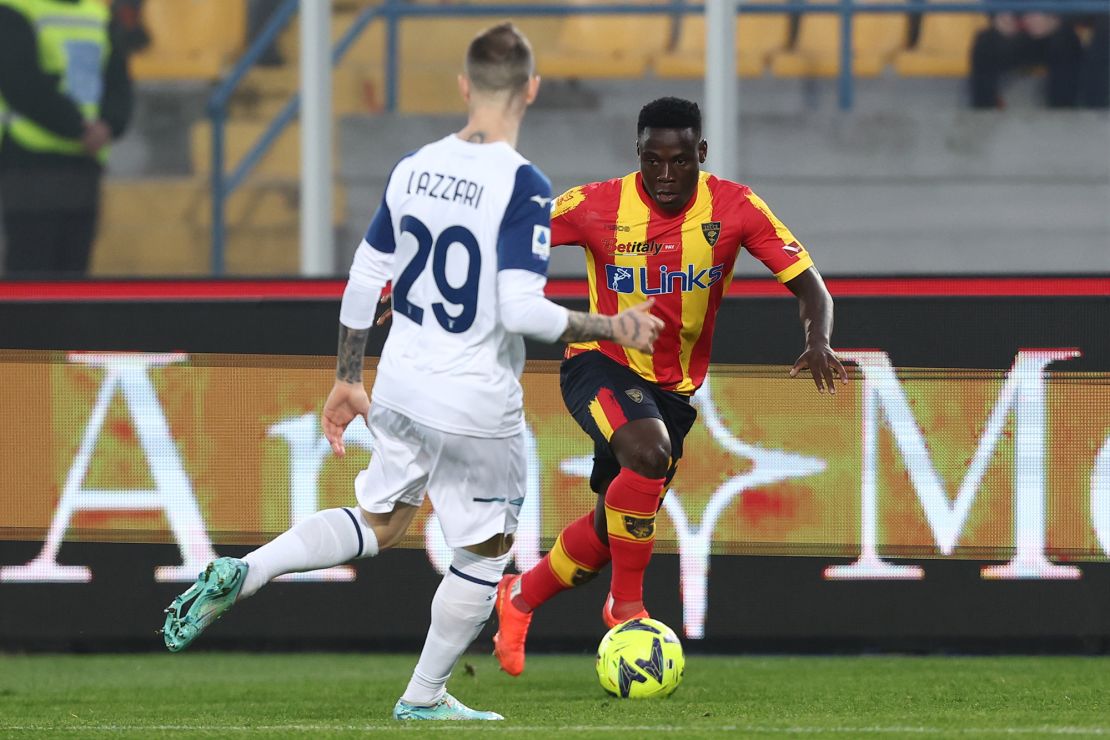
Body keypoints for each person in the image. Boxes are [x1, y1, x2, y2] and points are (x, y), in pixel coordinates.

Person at [159, 23, 662, 722]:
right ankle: (423, 697)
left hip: (398, 381)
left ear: (464, 88)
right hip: (475, 400)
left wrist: (346, 377)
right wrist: (614, 325)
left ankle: (252, 570)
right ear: (531, 90)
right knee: (485, 551)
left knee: (383, 518)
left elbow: (367, 276)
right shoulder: (524, 185)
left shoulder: (414, 167)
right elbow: (522, 309)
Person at [492, 96, 847, 677]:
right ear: (637, 154)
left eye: (679, 161)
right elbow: (506, 234)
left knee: (614, 526)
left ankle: (519, 597)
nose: (664, 174)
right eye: (651, 160)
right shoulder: (595, 204)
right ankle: (626, 608)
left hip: (673, 390)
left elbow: (811, 286)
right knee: (649, 454)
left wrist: (818, 339)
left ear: (700, 154)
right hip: (599, 363)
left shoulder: (736, 207)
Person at [0, 0, 133, 276]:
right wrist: (81, 128)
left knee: (74, 274)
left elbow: (118, 82)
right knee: (30, 273)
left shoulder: (98, 15)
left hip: (84, 163)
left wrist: (109, 124)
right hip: (29, 161)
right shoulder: (14, 9)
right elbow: (20, 83)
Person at [969, 1, 1083, 108]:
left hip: (1055, 32)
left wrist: (1055, 18)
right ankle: (984, 113)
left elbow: (1085, 7)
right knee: (985, 42)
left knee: (1066, 41)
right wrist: (999, 16)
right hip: (1014, 33)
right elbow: (991, 5)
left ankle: (1063, 114)